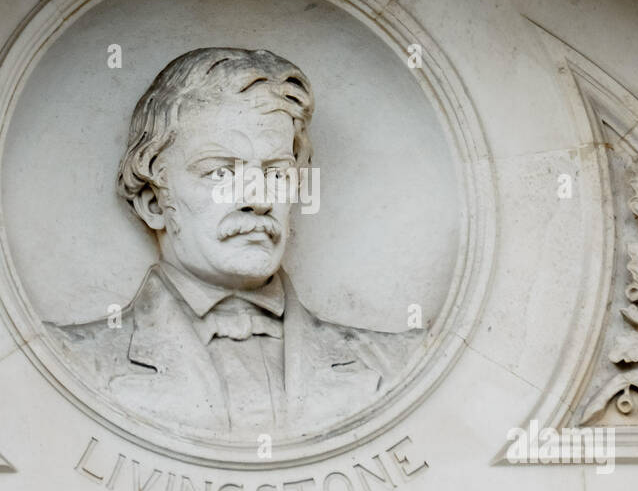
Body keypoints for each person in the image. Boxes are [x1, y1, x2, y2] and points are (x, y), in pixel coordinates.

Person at [46, 47, 421, 439]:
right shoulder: (72, 361)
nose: (258, 199)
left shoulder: (393, 364)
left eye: (276, 174)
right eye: (221, 173)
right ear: (153, 201)